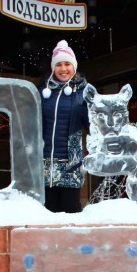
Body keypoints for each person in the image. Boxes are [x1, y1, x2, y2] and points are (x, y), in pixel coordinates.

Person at [39, 40, 90, 213]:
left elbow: (94, 127)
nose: (63, 69)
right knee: (47, 213)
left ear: (74, 66)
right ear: (53, 67)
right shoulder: (42, 92)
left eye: (67, 64)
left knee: (71, 212)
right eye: (59, 64)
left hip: (71, 164)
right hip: (44, 163)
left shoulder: (84, 93)